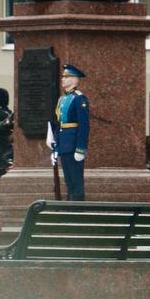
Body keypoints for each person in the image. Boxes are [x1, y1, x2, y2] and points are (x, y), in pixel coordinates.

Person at [47, 63, 90, 201]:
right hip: (64, 145)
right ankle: (70, 207)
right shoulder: (62, 99)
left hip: (73, 146)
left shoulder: (80, 99)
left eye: (66, 77)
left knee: (76, 180)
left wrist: (81, 149)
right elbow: (60, 125)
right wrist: (56, 147)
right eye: (63, 77)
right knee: (68, 179)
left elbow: (84, 126)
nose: (63, 79)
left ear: (74, 79)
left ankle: (78, 210)